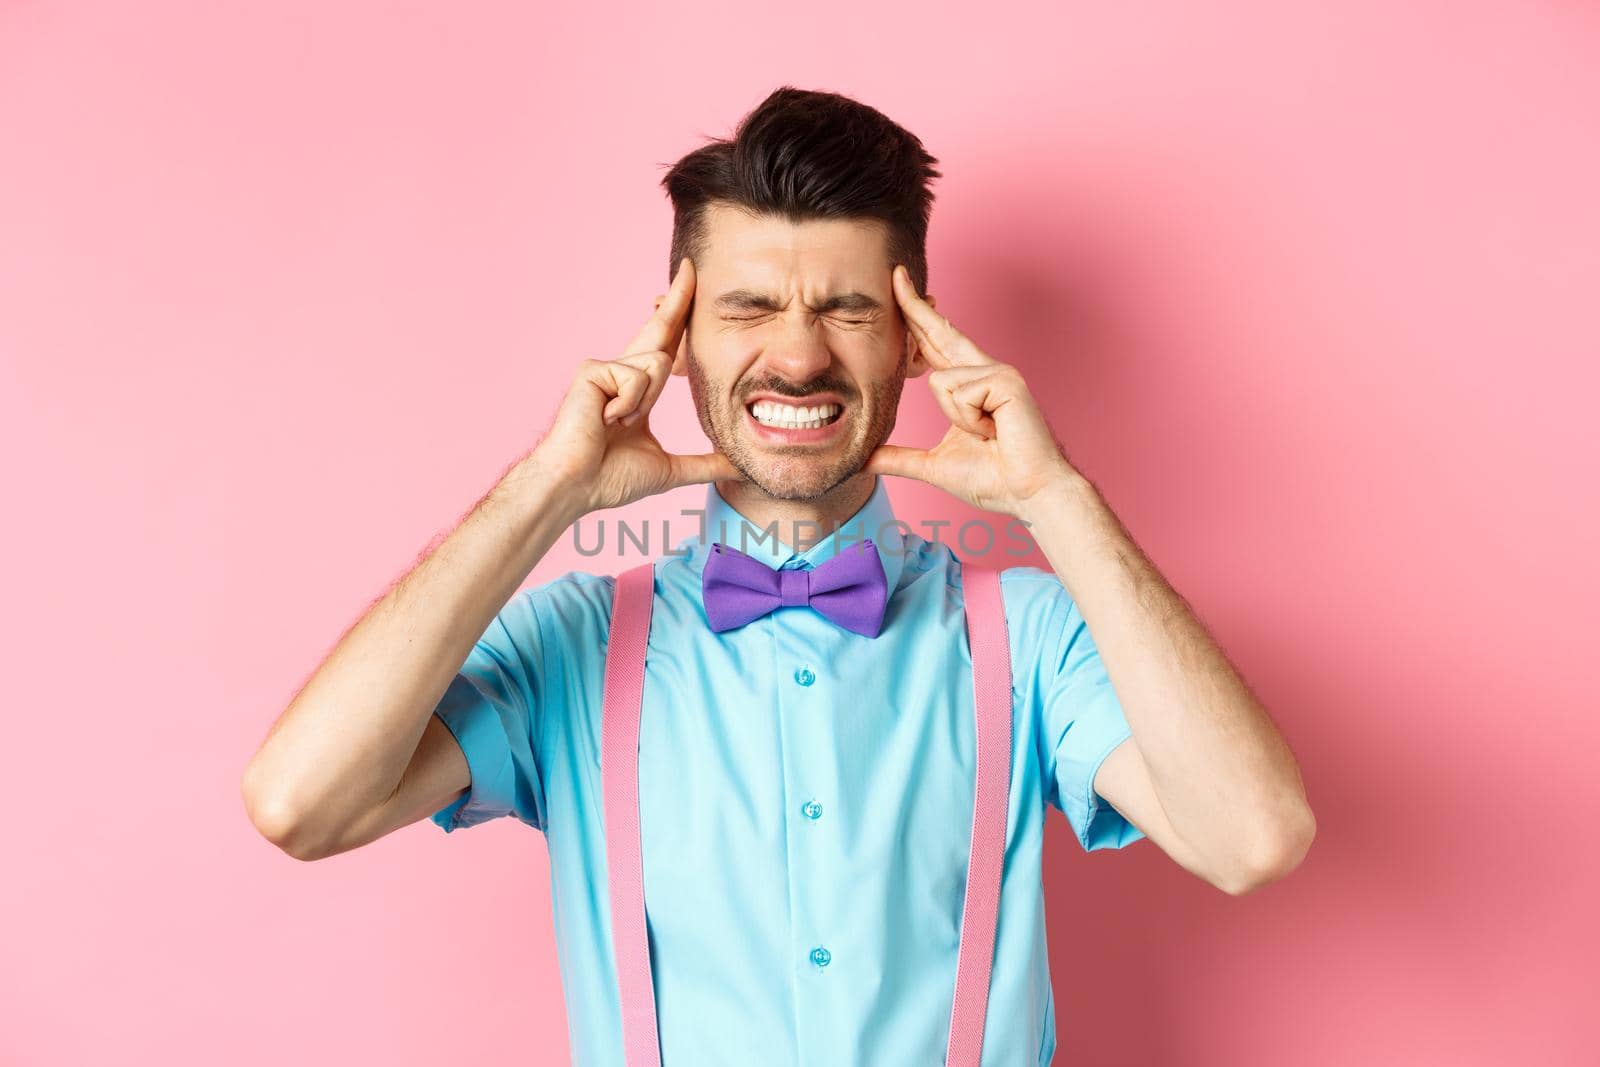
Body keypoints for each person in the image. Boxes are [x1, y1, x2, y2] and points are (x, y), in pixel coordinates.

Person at [242, 86, 1315, 1066]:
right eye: (749, 307)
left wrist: (1056, 499)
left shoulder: (1029, 633)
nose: (799, 357)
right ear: (681, 341)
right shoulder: (573, 641)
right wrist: (547, 488)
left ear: (912, 345)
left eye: (847, 310)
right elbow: (301, 804)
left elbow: (1251, 837)